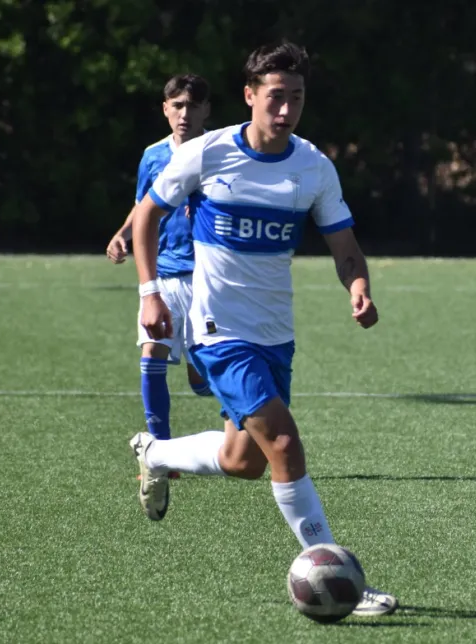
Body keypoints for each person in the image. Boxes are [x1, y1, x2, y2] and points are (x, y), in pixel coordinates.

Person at [128, 42, 398, 617]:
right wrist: (150, 293)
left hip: (275, 334)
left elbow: (345, 247)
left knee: (243, 460)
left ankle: (156, 452)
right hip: (218, 330)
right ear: (250, 95)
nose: (285, 109)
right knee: (283, 444)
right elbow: (147, 214)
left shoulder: (313, 167)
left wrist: (358, 286)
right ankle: (337, 576)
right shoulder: (208, 153)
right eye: (275, 96)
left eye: (296, 98)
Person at [106, 74, 215, 452]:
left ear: (206, 110)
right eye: (178, 105)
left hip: (206, 276)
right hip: (162, 274)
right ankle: (161, 453)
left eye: (193, 106)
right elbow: (143, 204)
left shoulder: (220, 153)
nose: (185, 114)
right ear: (165, 108)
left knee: (204, 373)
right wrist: (122, 233)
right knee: (151, 354)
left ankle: (223, 401)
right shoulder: (153, 155)